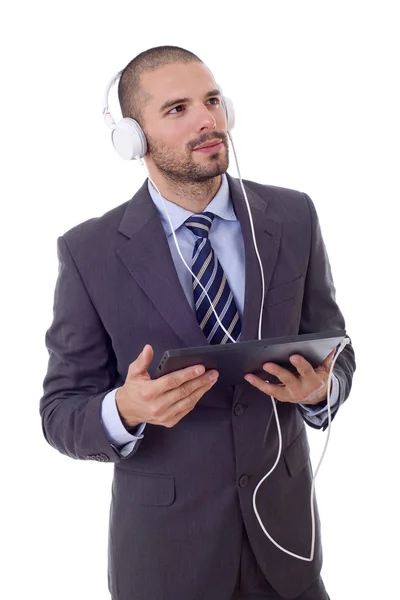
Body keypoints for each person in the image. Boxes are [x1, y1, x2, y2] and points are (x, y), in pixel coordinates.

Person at [40, 46, 356, 600]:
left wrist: (321, 389)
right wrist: (125, 409)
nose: (208, 120)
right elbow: (60, 410)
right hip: (167, 563)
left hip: (286, 555)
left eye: (212, 101)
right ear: (133, 138)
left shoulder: (292, 216)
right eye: (177, 109)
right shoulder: (89, 251)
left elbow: (338, 349)